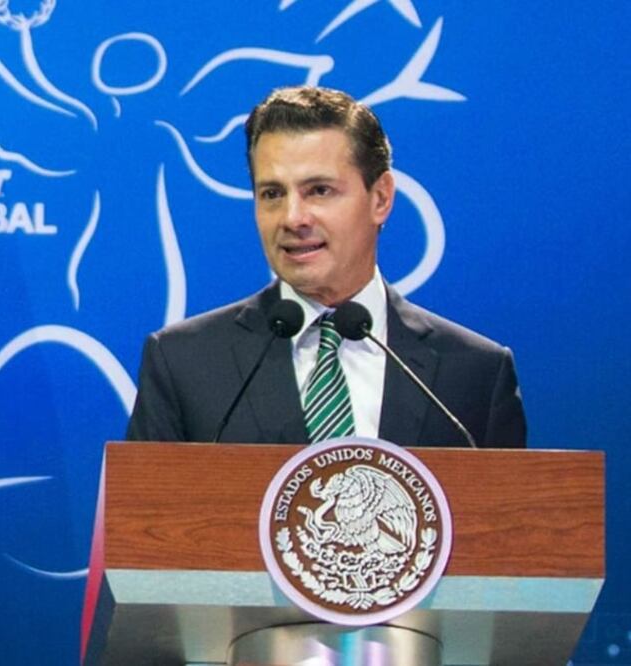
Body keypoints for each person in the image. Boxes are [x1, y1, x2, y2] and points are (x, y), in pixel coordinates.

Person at [126, 86, 526, 447]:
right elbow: (144, 526)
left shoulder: (475, 373)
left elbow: (511, 526)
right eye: (272, 194)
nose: (293, 217)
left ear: (381, 198)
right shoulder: (184, 362)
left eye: (319, 190)